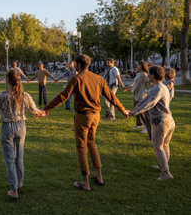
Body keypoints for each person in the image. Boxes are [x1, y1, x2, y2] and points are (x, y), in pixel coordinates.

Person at [39, 54, 129, 191]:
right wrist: (122, 110)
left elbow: (63, 96)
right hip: (96, 116)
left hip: (83, 117)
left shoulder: (77, 78)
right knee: (91, 143)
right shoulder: (98, 78)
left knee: (81, 147)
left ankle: (85, 182)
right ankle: (99, 177)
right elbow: (111, 96)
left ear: (79, 65)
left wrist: (46, 109)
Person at [0, 69, 44, 199]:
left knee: (10, 159)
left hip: (7, 128)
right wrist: (44, 112)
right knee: (19, 156)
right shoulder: (25, 95)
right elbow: (35, 110)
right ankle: (19, 183)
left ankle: (14, 189)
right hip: (21, 126)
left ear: (7, 80)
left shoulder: (3, 95)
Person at [129, 66, 175, 180]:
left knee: (158, 147)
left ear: (153, 75)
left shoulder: (159, 88)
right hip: (167, 120)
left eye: (148, 73)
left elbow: (151, 103)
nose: (147, 75)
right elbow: (146, 99)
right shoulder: (158, 87)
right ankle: (163, 166)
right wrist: (135, 109)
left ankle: (166, 173)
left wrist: (136, 112)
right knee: (164, 145)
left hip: (161, 121)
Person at [123, 62, 151, 134]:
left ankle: (147, 127)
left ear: (142, 66)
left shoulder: (144, 74)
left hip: (141, 95)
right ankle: (139, 124)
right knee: (138, 111)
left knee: (142, 111)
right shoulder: (139, 74)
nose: (137, 66)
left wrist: (148, 90)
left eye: (138, 65)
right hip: (136, 94)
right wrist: (129, 87)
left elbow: (149, 82)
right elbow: (135, 83)